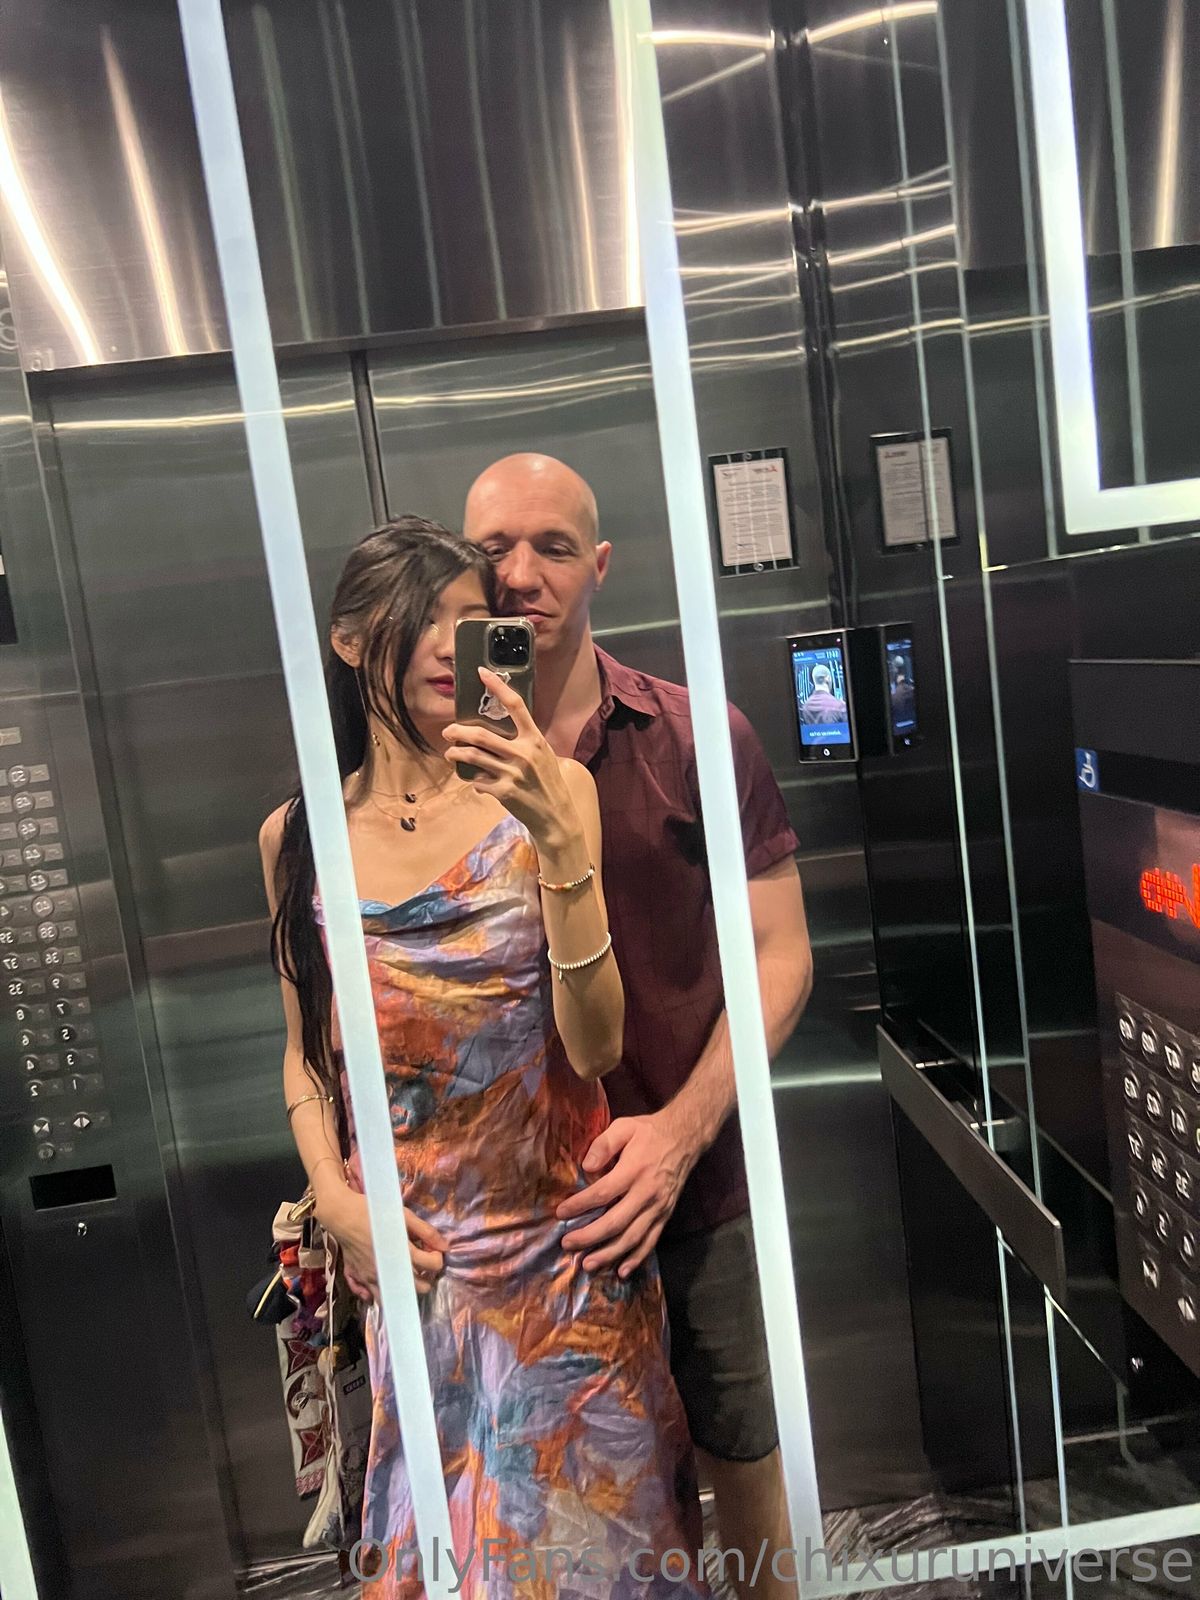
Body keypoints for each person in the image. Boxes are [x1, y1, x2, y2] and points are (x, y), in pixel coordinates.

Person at [260, 519, 709, 1599]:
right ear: (349, 639)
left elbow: (596, 1046)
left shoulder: (552, 794)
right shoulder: (299, 835)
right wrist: (335, 1198)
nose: (448, 644)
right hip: (420, 1279)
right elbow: (306, 1057)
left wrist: (558, 844)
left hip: (570, 1266)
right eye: (421, 618)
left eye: (470, 623)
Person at [464, 456, 814, 1600]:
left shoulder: (698, 737)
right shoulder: (440, 768)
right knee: (568, 1528)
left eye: (553, 547)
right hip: (519, 1229)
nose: (520, 575)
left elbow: (782, 956)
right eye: (493, 550)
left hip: (694, 1191)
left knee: (748, 1487)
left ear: (601, 564)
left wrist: (679, 1134)